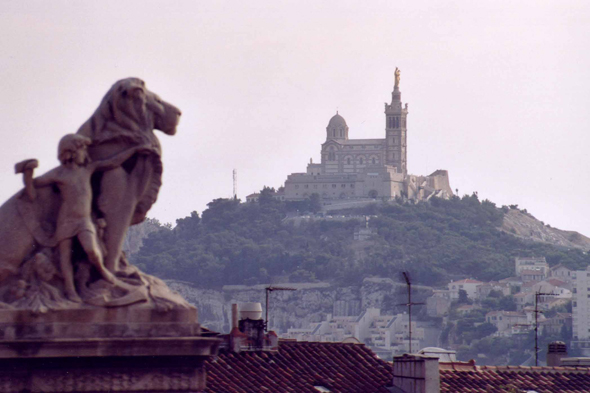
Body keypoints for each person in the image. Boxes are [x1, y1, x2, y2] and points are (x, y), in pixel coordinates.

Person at [33, 134, 154, 302]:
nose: (85, 153)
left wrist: (134, 150)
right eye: (82, 149)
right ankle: (70, 290)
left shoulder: (88, 169)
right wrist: (27, 172)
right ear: (72, 152)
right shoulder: (59, 174)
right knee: (65, 256)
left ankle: (104, 273)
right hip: (66, 220)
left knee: (93, 251)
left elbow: (112, 161)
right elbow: (36, 183)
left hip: (84, 220)